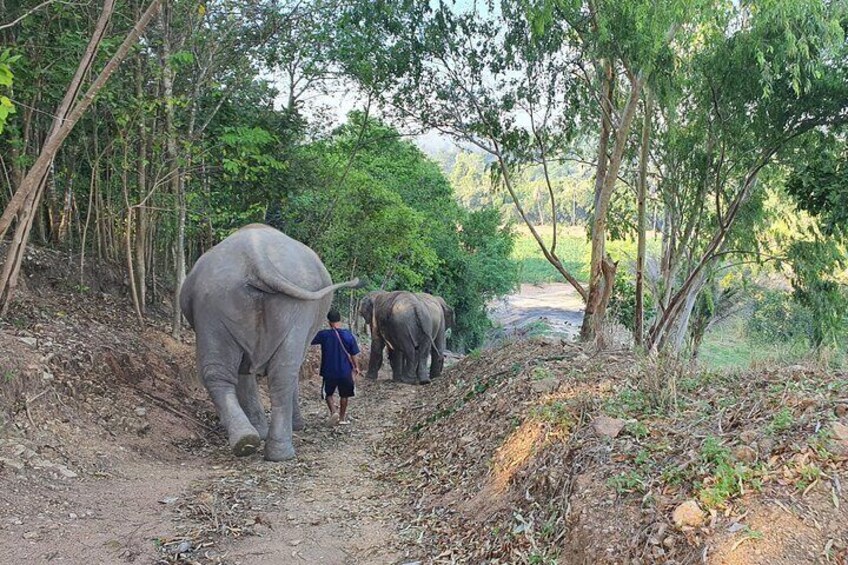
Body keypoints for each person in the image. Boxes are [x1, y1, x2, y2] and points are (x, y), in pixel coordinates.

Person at [311, 309, 360, 426]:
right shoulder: (348, 335)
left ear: (329, 322)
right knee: (344, 395)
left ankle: (333, 412)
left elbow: (310, 339)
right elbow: (354, 354)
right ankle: (342, 418)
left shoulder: (324, 335)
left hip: (329, 371)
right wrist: (356, 367)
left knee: (328, 394)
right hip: (345, 371)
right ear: (340, 320)